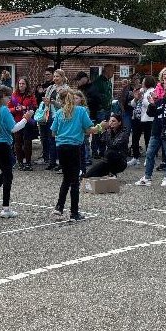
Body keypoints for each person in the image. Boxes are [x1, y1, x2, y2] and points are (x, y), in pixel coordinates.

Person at [51, 89, 102, 221]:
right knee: (74, 181)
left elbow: (53, 132)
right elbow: (88, 129)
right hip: (74, 147)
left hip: (61, 147)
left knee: (66, 178)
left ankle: (59, 207)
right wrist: (101, 127)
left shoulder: (59, 113)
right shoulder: (80, 111)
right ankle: (74, 212)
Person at [0, 86, 31, 218]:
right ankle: (6, 208)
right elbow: (14, 128)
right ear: (2, 96)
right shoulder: (4, 110)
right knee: (8, 175)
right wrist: (26, 118)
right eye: (8, 97)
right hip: (3, 145)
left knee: (6, 170)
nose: (10, 99)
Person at [134, 78, 166, 187]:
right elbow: (151, 114)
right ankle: (147, 177)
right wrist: (152, 104)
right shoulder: (160, 101)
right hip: (156, 131)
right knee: (149, 154)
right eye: (165, 89)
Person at [84, 114, 129, 178]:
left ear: (119, 123)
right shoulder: (109, 132)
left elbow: (114, 144)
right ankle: (86, 176)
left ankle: (112, 172)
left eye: (113, 121)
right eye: (110, 121)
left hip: (120, 162)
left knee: (109, 153)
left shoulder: (124, 133)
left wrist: (107, 131)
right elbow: (100, 140)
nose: (111, 123)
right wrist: (101, 128)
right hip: (108, 161)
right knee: (92, 173)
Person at [41, 69, 68, 170]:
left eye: (57, 76)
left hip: (61, 117)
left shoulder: (66, 89)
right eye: (55, 76)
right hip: (50, 116)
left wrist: (53, 102)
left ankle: (61, 163)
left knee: (60, 139)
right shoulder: (50, 87)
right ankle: (52, 162)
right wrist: (46, 102)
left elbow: (66, 105)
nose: (55, 78)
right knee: (50, 139)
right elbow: (46, 101)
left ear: (62, 77)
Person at [9, 77, 38, 170]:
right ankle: (19, 161)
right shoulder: (14, 95)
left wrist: (25, 107)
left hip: (28, 121)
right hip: (17, 121)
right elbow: (8, 108)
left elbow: (34, 107)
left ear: (26, 85)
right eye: (20, 83)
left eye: (23, 84)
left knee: (27, 142)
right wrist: (15, 109)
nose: (21, 85)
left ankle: (28, 162)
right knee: (17, 142)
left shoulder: (30, 95)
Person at [129, 75, 157, 167]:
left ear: (148, 82)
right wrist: (136, 98)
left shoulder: (152, 91)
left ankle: (148, 158)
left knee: (147, 139)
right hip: (137, 118)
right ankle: (135, 157)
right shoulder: (141, 91)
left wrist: (142, 98)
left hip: (147, 119)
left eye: (143, 81)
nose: (142, 83)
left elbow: (150, 105)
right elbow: (132, 104)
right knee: (135, 138)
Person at [92, 64, 115, 158]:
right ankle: (95, 151)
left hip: (107, 109)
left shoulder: (108, 82)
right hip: (100, 110)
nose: (113, 73)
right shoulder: (98, 82)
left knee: (105, 130)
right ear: (107, 71)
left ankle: (102, 150)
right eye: (112, 71)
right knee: (98, 130)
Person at [36, 67, 55, 163]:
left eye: (49, 74)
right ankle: (45, 156)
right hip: (42, 113)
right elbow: (38, 100)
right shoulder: (42, 86)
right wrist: (39, 93)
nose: (46, 76)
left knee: (50, 136)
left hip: (51, 113)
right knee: (43, 137)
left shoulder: (54, 87)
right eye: (45, 75)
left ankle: (52, 158)